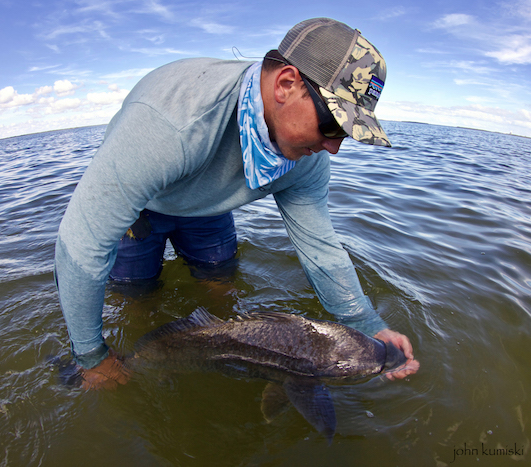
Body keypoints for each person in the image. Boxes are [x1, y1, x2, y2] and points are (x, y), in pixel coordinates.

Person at [55, 17, 420, 390]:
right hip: (143, 206)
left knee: (220, 281)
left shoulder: (308, 160)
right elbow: (82, 245)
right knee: (138, 295)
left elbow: (321, 248)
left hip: (208, 204)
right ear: (286, 84)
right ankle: (140, 355)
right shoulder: (173, 123)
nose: (334, 146)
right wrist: (91, 357)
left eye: (346, 134)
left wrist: (368, 325)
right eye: (332, 124)